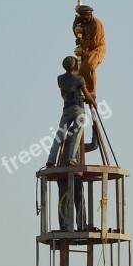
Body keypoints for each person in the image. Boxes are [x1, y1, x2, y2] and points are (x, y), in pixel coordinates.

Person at [46, 56, 97, 230]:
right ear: (75, 66)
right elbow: (87, 95)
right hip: (77, 109)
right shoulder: (79, 79)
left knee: (58, 136)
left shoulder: (60, 79)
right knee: (77, 132)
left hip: (66, 110)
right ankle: (78, 225)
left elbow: (90, 147)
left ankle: (50, 160)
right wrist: (93, 101)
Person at [72, 5, 106, 99]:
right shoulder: (82, 22)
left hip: (97, 49)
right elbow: (77, 34)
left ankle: (92, 92)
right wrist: (75, 24)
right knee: (82, 68)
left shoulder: (96, 24)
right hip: (86, 50)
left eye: (84, 17)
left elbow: (95, 42)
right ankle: (84, 91)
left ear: (89, 15)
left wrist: (82, 42)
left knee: (89, 66)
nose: (83, 19)